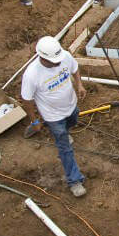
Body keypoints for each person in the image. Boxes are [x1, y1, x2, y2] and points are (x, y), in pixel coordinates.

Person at [21, 36, 88, 197]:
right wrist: (35, 120)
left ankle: (65, 131)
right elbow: (27, 99)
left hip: (71, 106)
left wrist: (79, 84)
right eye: (54, 61)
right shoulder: (32, 75)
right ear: (42, 57)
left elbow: (75, 68)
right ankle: (75, 181)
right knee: (65, 147)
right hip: (53, 116)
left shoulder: (63, 56)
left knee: (73, 120)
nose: (58, 63)